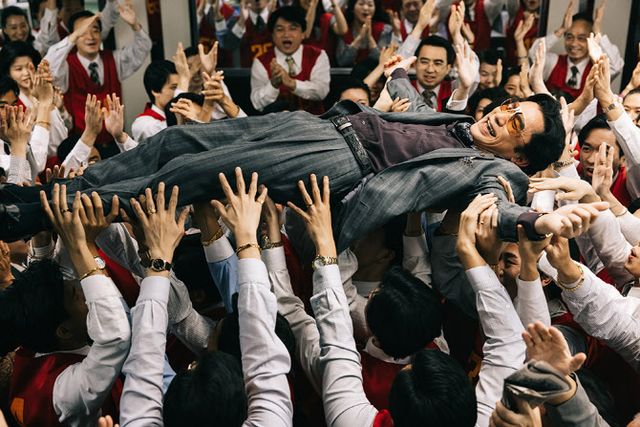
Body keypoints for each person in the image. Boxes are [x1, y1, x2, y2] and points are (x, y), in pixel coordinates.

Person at [0, 56, 606, 252]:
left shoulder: (498, 173)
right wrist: (390, 76)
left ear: (521, 156)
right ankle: (47, 193)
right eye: (510, 106)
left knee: (191, 173)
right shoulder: (460, 120)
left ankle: (33, 217)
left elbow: (500, 206)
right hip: (318, 125)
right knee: (177, 139)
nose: (501, 114)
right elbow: (405, 99)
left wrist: (538, 222)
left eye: (515, 124)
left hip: (340, 165)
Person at [4, 187, 130, 426]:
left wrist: (47, 228)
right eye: (76, 294)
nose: (86, 290)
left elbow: (49, 287)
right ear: (64, 330)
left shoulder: (34, 335)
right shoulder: (61, 393)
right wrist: (85, 247)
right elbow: (115, 336)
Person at [44, 5, 152, 157]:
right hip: (83, 148)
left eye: (95, 30)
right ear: (74, 36)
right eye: (83, 32)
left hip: (114, 144)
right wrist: (74, 36)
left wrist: (135, 25)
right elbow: (49, 64)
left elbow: (142, 48)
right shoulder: (66, 66)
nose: (90, 36)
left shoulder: (113, 59)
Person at [529, 1, 623, 100]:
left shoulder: (597, 68)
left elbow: (616, 66)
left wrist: (597, 31)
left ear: (591, 39)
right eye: (569, 37)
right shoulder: (554, 62)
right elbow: (533, 54)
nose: (574, 43)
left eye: (581, 38)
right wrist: (561, 29)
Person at [250, 6, 330, 114]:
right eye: (280, 29)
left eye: (293, 28)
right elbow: (256, 103)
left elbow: (322, 91)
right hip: (277, 122)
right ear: (272, 35)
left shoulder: (318, 55)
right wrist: (273, 84)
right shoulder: (260, 61)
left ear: (303, 34)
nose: (286, 34)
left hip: (314, 121)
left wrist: (291, 83)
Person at [131, 60, 179, 143]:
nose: (178, 93)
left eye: (179, 87)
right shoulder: (144, 124)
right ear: (156, 90)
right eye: (173, 88)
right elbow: (172, 137)